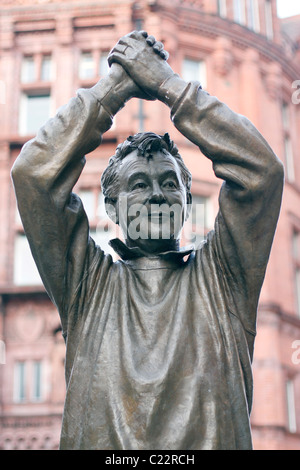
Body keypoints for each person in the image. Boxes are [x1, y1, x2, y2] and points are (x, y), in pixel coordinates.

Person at [11, 31, 284, 450]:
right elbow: (33, 174)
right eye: (138, 184)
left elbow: (261, 173)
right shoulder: (85, 285)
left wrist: (166, 85)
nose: (157, 194)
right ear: (114, 210)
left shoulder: (224, 280)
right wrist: (115, 88)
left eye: (169, 184)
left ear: (187, 203)